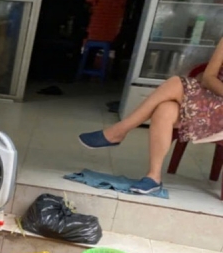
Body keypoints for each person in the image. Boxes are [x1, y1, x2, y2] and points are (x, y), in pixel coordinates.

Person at [79, 37, 223, 195]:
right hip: (215, 100)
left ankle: (118, 131)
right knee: (165, 109)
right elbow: (209, 76)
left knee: (175, 83)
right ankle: (154, 177)